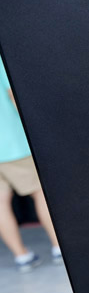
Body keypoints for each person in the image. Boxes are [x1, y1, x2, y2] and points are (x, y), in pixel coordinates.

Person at [0, 63, 60, 270]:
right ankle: (59, 247)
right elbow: (13, 95)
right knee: (41, 192)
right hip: (12, 143)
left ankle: (22, 257)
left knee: (0, 203)